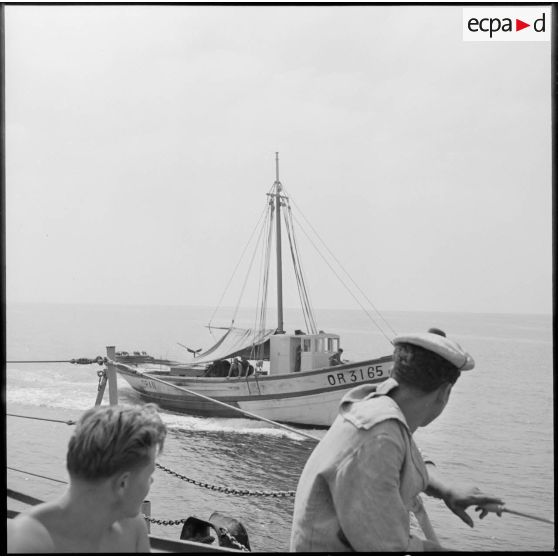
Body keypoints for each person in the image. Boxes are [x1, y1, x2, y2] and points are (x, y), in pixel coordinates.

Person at [290, 328, 504, 552]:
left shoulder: (375, 410)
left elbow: (408, 458)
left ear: (394, 373)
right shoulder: (379, 437)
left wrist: (447, 489)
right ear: (445, 393)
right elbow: (391, 549)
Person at [8, 403, 167, 554]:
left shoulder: (134, 528)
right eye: (149, 475)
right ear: (123, 483)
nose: (151, 482)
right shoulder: (28, 542)